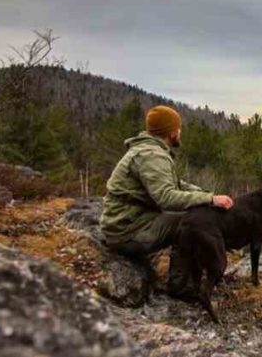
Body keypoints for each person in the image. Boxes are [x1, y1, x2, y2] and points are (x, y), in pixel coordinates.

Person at [100, 105, 233, 264]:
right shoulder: (152, 155)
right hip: (128, 233)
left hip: (130, 224)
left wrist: (208, 195)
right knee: (195, 221)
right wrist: (209, 199)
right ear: (171, 132)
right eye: (178, 128)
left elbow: (176, 183)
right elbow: (167, 198)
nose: (180, 132)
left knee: (196, 214)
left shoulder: (149, 150)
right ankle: (182, 284)